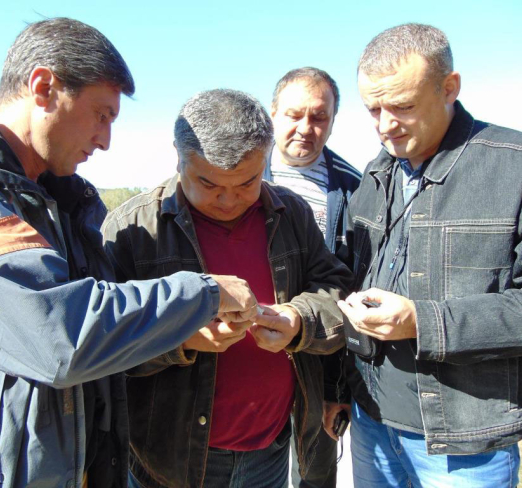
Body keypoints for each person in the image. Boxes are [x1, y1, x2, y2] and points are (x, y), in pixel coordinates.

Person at [0, 18, 261, 488]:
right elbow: (55, 337)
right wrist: (204, 294)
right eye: (102, 115)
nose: (105, 140)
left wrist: (180, 332)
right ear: (43, 87)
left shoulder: (63, 205)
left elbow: (103, 342)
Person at [103, 89, 353, 488]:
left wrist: (297, 320)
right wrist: (181, 337)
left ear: (266, 158)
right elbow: (102, 342)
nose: (227, 199)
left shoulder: (291, 212)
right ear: (178, 156)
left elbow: (336, 288)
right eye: (208, 183)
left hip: (270, 450)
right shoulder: (131, 230)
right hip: (171, 462)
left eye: (247, 182)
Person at [337, 23, 522, 487]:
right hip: (371, 420)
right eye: (373, 109)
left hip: (465, 443)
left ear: (449, 87)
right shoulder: (375, 172)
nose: (385, 125)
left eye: (403, 106)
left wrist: (422, 322)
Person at [265, 67, 361, 488]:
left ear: (334, 120)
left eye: (319, 116)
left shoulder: (355, 188)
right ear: (273, 113)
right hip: (252, 355)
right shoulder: (239, 173)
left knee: (315, 476)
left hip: (320, 361)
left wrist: (337, 389)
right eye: (294, 114)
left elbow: (352, 290)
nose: (306, 128)